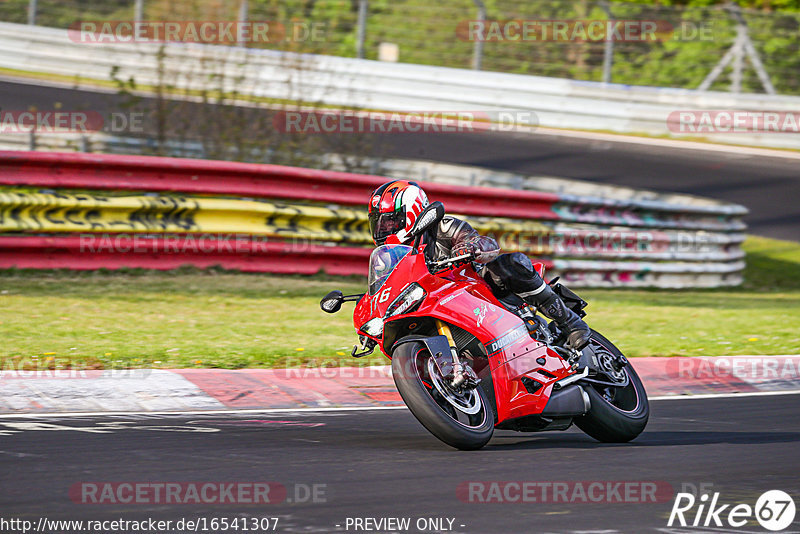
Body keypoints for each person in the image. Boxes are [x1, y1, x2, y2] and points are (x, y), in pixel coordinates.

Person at [368, 180, 591, 350]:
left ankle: (571, 323)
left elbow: (484, 243)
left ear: (412, 212)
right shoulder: (389, 257)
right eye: (378, 223)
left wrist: (469, 247)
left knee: (511, 263)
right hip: (434, 306)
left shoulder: (443, 227)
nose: (384, 228)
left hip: (474, 289)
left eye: (389, 220)